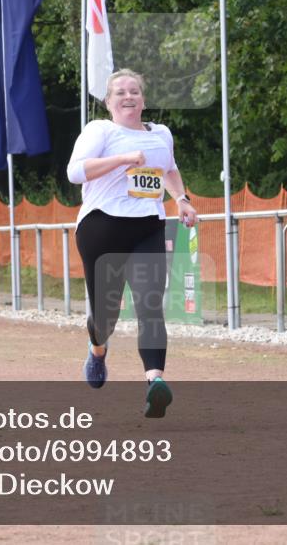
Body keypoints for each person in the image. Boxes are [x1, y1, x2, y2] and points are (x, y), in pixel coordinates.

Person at [67, 69, 198, 418]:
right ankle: (98, 350)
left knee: (150, 304)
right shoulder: (101, 130)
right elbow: (75, 172)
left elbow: (168, 168)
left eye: (134, 91)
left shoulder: (161, 134)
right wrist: (122, 159)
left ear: (142, 99)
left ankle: (155, 383)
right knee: (105, 316)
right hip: (101, 228)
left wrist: (181, 199)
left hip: (147, 228)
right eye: (120, 92)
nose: (128, 96)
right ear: (109, 102)